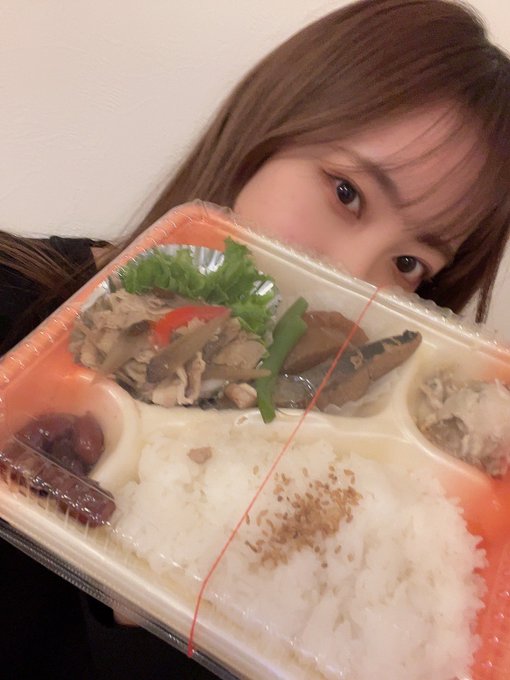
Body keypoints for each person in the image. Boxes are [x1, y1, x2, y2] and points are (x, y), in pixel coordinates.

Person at [1, 0, 510, 677]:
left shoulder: (364, 503)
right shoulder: (12, 292)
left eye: (410, 263)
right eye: (347, 193)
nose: (353, 281)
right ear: (264, 133)